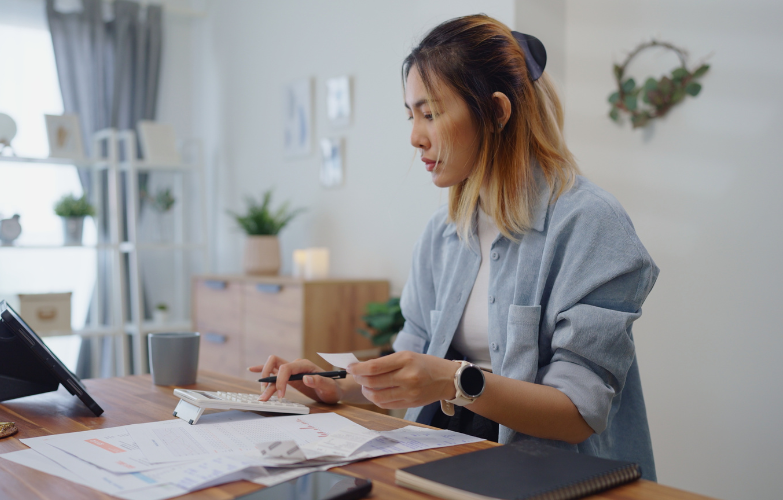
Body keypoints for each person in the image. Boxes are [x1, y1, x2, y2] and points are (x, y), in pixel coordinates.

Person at [250, 14, 659, 480]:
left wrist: (454, 379)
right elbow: (411, 355)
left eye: (430, 114)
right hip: (440, 452)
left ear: (497, 113)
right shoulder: (442, 233)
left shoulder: (591, 224)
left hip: (553, 474)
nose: (414, 136)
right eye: (411, 115)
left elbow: (577, 413)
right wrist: (339, 384)